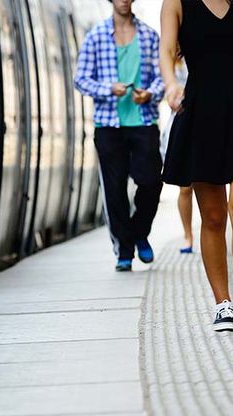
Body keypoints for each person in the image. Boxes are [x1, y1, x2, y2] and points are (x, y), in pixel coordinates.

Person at [160, 0, 233, 332]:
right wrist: (170, 84)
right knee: (212, 217)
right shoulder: (176, 4)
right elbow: (167, 51)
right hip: (201, 115)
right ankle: (222, 304)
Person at [74, 0, 165, 272]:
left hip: (144, 120)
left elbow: (163, 76)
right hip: (108, 125)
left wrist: (150, 93)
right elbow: (80, 78)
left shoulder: (149, 35)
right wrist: (106, 89)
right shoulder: (96, 36)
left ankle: (139, 232)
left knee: (151, 181)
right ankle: (124, 250)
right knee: (113, 191)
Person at [160, 57, 194, 254]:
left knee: (214, 186)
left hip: (206, 119)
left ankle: (215, 232)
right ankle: (188, 235)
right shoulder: (170, 60)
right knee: (185, 188)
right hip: (181, 122)